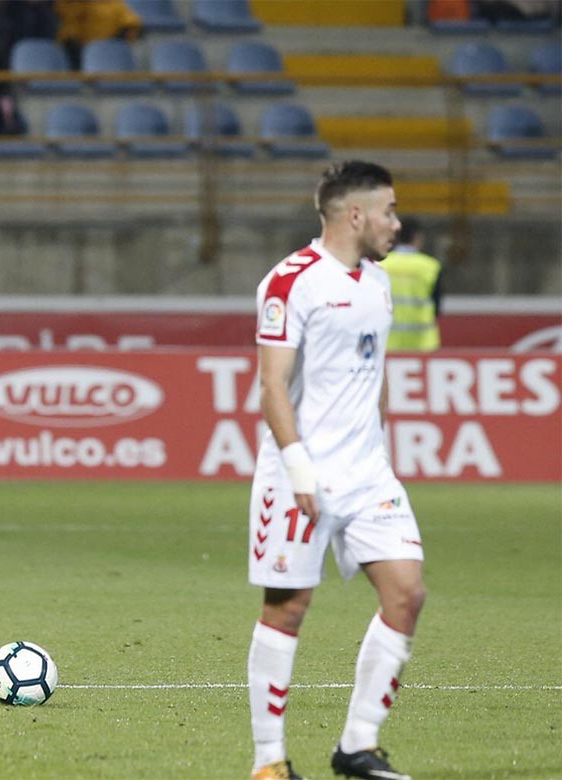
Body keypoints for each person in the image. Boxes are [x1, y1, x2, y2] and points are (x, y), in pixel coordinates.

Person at [247, 161, 425, 780]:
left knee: (407, 593)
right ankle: (269, 763)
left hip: (368, 473)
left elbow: (374, 374)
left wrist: (382, 453)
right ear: (356, 215)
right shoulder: (290, 282)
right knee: (288, 607)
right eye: (390, 211)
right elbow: (271, 387)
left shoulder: (379, 283)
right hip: (300, 472)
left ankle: (357, 747)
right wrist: (298, 468)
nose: (397, 223)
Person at [380, 217, 442, 352]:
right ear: (417, 237)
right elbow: (437, 306)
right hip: (423, 344)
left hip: (388, 343)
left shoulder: (381, 265)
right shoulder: (430, 266)